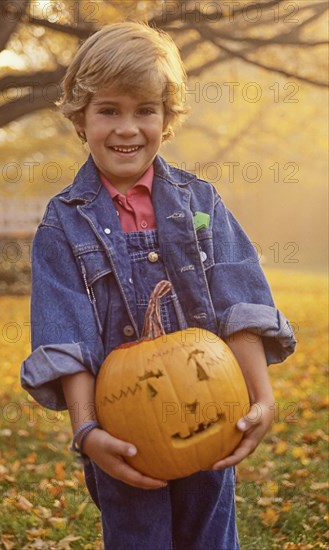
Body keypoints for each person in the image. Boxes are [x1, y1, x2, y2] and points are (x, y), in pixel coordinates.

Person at [21, 21, 296, 549]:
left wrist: (261, 398)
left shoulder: (200, 202)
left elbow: (238, 301)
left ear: (167, 119)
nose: (128, 128)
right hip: (125, 433)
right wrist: (86, 432)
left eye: (145, 109)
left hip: (211, 415)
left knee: (211, 538)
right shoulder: (63, 223)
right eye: (109, 110)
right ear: (81, 118)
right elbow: (66, 337)